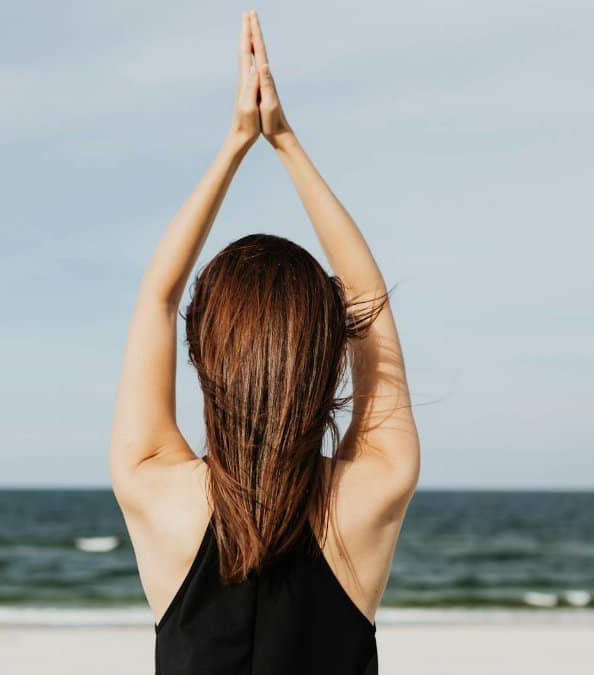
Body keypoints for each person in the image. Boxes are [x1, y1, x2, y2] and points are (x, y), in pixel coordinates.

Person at [108, 9, 420, 674]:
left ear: (203, 355)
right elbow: (368, 299)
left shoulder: (155, 494)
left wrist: (236, 143)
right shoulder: (368, 496)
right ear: (331, 355)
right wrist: (285, 142)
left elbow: (155, 299)